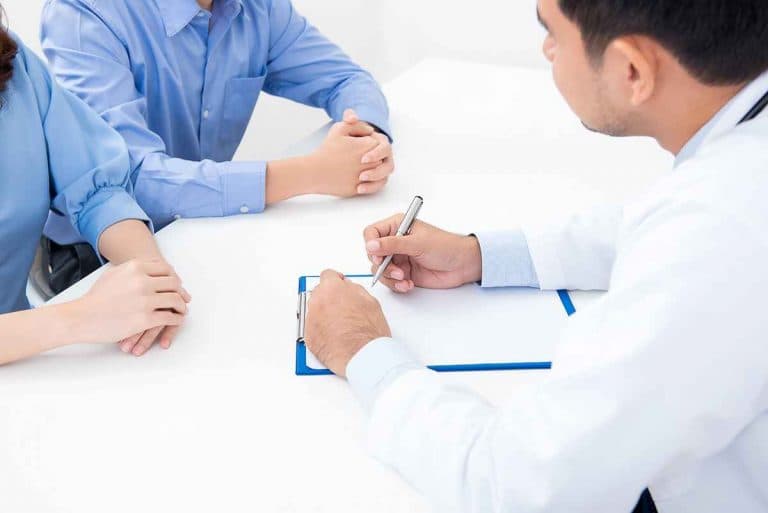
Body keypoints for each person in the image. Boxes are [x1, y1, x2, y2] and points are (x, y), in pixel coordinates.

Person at [304, 0, 768, 512]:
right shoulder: (740, 153)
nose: (546, 50)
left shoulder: (717, 236)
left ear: (632, 69)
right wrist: (480, 255)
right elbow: (649, 225)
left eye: (552, 34)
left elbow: (523, 485)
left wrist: (364, 353)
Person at [36, 0, 394, 295]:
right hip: (97, 260)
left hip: (203, 230)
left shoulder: (258, 9)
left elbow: (347, 80)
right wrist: (312, 173)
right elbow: (128, 183)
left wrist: (364, 143)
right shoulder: (84, 13)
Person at [0, 8, 191, 364]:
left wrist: (149, 280)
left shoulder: (15, 65)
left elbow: (95, 188)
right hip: (39, 339)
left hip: (27, 367)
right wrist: (80, 317)